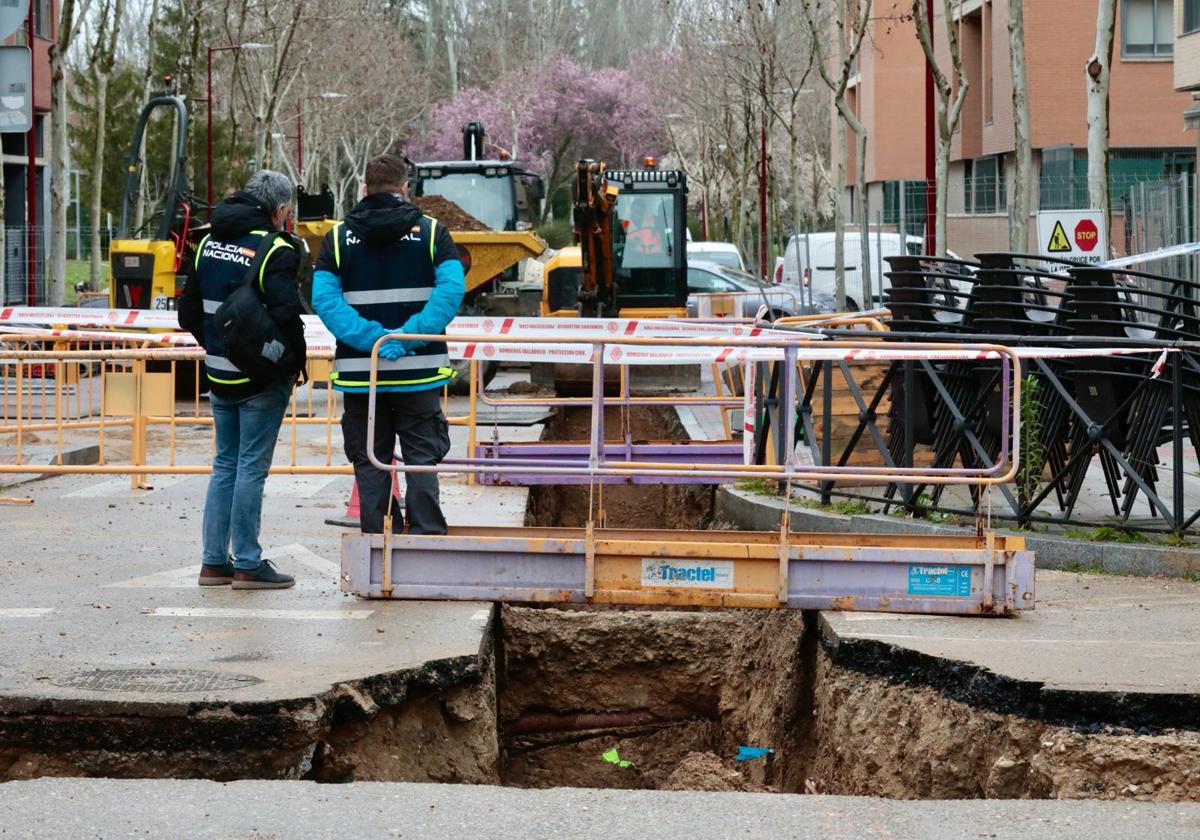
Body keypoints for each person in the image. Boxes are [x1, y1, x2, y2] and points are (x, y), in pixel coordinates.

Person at [312, 154, 465, 535]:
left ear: (365, 189)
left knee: (369, 458)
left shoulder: (336, 238)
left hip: (362, 375)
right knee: (421, 458)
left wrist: (373, 340)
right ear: (403, 189)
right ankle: (427, 535)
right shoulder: (432, 233)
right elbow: (450, 292)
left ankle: (379, 540)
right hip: (418, 373)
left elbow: (325, 301)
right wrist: (404, 339)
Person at [179, 170, 306, 589]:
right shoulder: (274, 249)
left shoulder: (206, 244)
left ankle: (214, 562)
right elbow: (288, 314)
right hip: (260, 382)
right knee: (251, 467)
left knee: (225, 465)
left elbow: (188, 314)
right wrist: (287, 363)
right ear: (281, 210)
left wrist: (219, 346)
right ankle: (248, 563)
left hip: (219, 374)